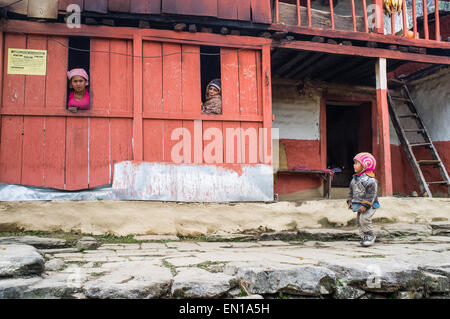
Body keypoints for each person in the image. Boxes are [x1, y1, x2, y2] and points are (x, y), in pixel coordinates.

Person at [346, 152, 380, 247]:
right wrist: (350, 201)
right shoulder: (354, 179)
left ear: (365, 165)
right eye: (354, 163)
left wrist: (365, 205)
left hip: (369, 205)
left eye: (357, 163)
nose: (354, 165)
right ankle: (363, 236)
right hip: (358, 204)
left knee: (365, 219)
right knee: (359, 221)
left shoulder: (371, 180)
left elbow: (371, 194)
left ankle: (370, 235)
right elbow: (351, 191)